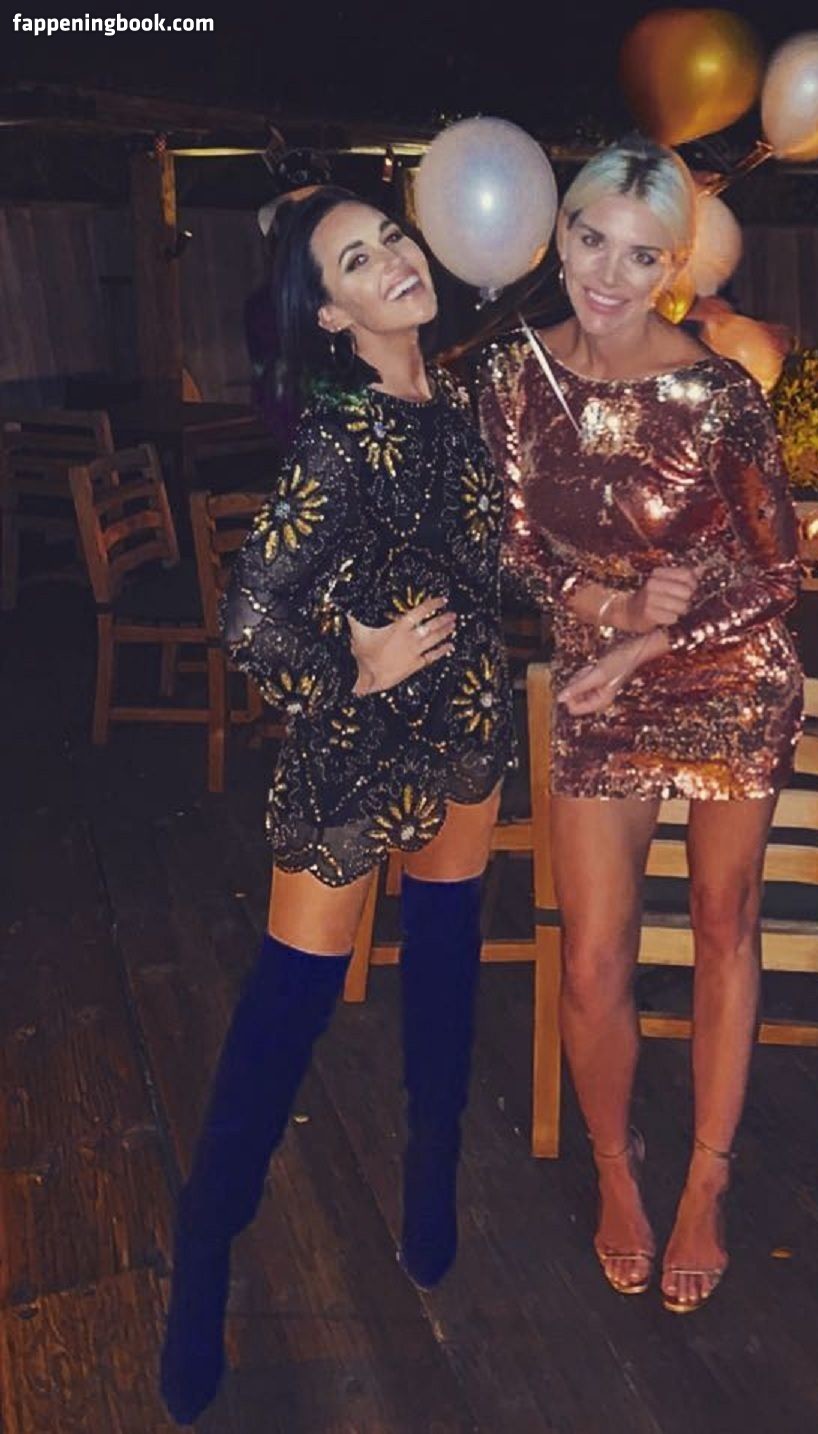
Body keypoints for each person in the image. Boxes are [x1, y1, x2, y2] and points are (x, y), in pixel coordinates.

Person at [159, 186, 514, 1423]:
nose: (395, 261)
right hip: (355, 755)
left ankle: (431, 1176)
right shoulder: (341, 434)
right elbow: (248, 613)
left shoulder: (458, 403)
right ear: (329, 314)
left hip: (466, 728)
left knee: (447, 967)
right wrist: (347, 669)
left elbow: (483, 561)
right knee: (287, 1010)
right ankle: (205, 1250)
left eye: (393, 237)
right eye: (357, 261)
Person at [477, 136, 803, 1316]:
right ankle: (617, 1172)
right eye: (590, 240)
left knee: (723, 925)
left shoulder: (719, 394)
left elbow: (777, 573)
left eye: (641, 255)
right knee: (594, 954)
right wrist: (607, 610)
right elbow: (511, 540)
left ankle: (707, 1182)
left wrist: (647, 642)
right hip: (598, 685)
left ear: (676, 268)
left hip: (724, 676)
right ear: (558, 235)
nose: (607, 276)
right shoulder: (513, 376)